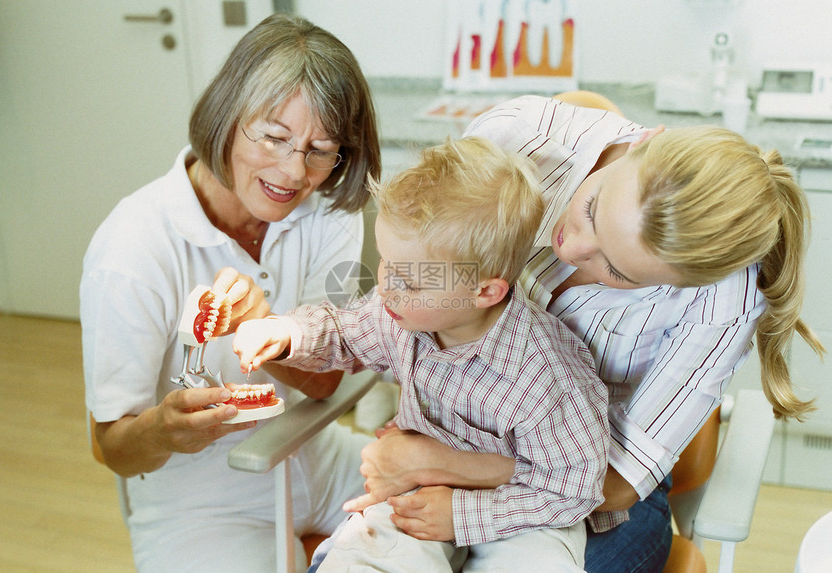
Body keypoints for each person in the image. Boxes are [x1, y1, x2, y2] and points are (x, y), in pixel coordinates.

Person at [329, 94, 824, 573]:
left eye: (617, 271)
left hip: (594, 494)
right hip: (449, 434)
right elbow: (423, 275)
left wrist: (437, 464)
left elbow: (618, 483)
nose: (572, 250)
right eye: (590, 208)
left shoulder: (724, 298)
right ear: (644, 142)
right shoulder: (524, 137)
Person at [80, 14, 380, 572]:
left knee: (459, 530)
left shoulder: (331, 209)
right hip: (198, 501)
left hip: (311, 448)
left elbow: (326, 383)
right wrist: (162, 429)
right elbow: (112, 448)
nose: (294, 173)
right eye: (274, 137)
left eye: (322, 148)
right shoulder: (132, 247)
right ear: (226, 116)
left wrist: (270, 331)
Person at [232, 136, 610, 572]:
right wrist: (287, 332)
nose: (387, 287)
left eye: (411, 282)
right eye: (387, 264)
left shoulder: (546, 376)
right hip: (411, 490)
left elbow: (573, 487)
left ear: (486, 291)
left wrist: (461, 515)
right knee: (363, 558)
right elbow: (345, 331)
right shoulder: (399, 312)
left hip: (523, 514)